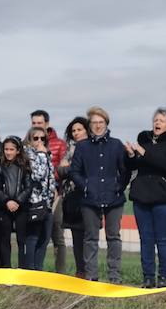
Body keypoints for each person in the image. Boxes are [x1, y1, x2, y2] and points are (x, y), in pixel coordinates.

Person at [125, 107, 166, 288]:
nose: (157, 123)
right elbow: (135, 165)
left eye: (161, 120)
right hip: (142, 195)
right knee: (146, 238)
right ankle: (148, 278)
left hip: (165, 196)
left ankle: (164, 277)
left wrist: (145, 153)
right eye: (155, 120)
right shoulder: (144, 138)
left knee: (163, 239)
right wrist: (130, 155)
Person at [68, 106, 129, 283]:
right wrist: (85, 186)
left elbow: (125, 170)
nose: (97, 126)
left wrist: (119, 186)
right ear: (90, 125)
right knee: (90, 238)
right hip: (89, 198)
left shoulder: (116, 145)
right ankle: (91, 277)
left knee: (114, 237)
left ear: (106, 124)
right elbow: (74, 171)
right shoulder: (82, 146)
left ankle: (114, 276)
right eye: (94, 123)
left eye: (100, 122)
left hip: (114, 198)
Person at [28, 110, 69, 274]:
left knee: (56, 234)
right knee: (35, 236)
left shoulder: (59, 143)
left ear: (47, 124)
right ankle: (36, 270)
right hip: (34, 198)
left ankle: (60, 273)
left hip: (55, 195)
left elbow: (62, 167)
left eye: (40, 123)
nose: (37, 126)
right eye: (34, 123)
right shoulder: (29, 146)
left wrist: (54, 186)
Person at [0, 136, 33, 267]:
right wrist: (7, 201)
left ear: (18, 150)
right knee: (4, 239)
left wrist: (18, 201)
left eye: (11, 149)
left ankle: (22, 268)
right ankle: (6, 268)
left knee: (21, 239)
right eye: (6, 149)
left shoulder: (24, 166)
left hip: (21, 207)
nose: (8, 152)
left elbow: (28, 187)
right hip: (4, 207)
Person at [58, 117, 89, 278]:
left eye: (79, 129)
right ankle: (80, 271)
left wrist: (71, 169)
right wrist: (74, 170)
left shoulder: (93, 147)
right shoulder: (70, 149)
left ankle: (91, 270)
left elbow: (90, 170)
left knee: (89, 236)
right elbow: (60, 171)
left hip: (89, 196)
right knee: (77, 237)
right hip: (71, 197)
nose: (76, 133)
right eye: (74, 131)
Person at [21, 128, 56, 270]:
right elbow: (37, 175)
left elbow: (51, 177)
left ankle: (38, 269)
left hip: (46, 202)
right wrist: (42, 154)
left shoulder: (45, 154)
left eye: (43, 139)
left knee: (45, 238)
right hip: (33, 202)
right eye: (36, 138)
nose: (40, 141)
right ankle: (31, 269)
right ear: (30, 139)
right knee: (33, 238)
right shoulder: (28, 154)